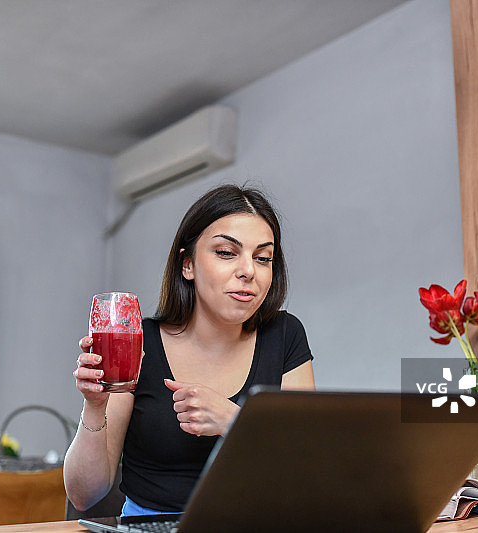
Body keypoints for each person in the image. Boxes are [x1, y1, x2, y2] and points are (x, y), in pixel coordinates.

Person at [64, 184, 315, 516]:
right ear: (188, 265)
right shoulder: (141, 343)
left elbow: (308, 470)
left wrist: (235, 422)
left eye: (263, 258)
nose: (248, 271)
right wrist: (95, 406)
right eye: (226, 253)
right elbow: (85, 496)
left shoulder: (285, 335)